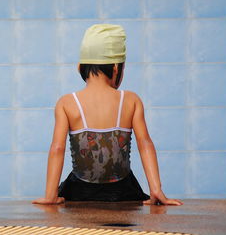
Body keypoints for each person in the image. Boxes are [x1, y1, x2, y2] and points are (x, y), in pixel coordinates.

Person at [32, 24, 183, 206]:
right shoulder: (130, 100)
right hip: (124, 190)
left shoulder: (67, 103)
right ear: (116, 68)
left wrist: (50, 195)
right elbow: (145, 144)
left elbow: (57, 148)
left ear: (80, 67)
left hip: (79, 191)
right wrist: (156, 190)